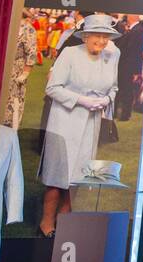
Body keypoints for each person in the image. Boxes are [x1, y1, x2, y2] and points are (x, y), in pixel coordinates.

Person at [37, 13, 121, 237]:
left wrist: (106, 100)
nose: (102, 42)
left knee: (78, 176)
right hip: (64, 121)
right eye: (97, 36)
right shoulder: (70, 54)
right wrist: (82, 100)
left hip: (91, 123)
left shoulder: (110, 57)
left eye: (106, 37)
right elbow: (52, 88)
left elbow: (113, 88)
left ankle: (65, 223)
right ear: (85, 36)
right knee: (57, 175)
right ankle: (46, 223)